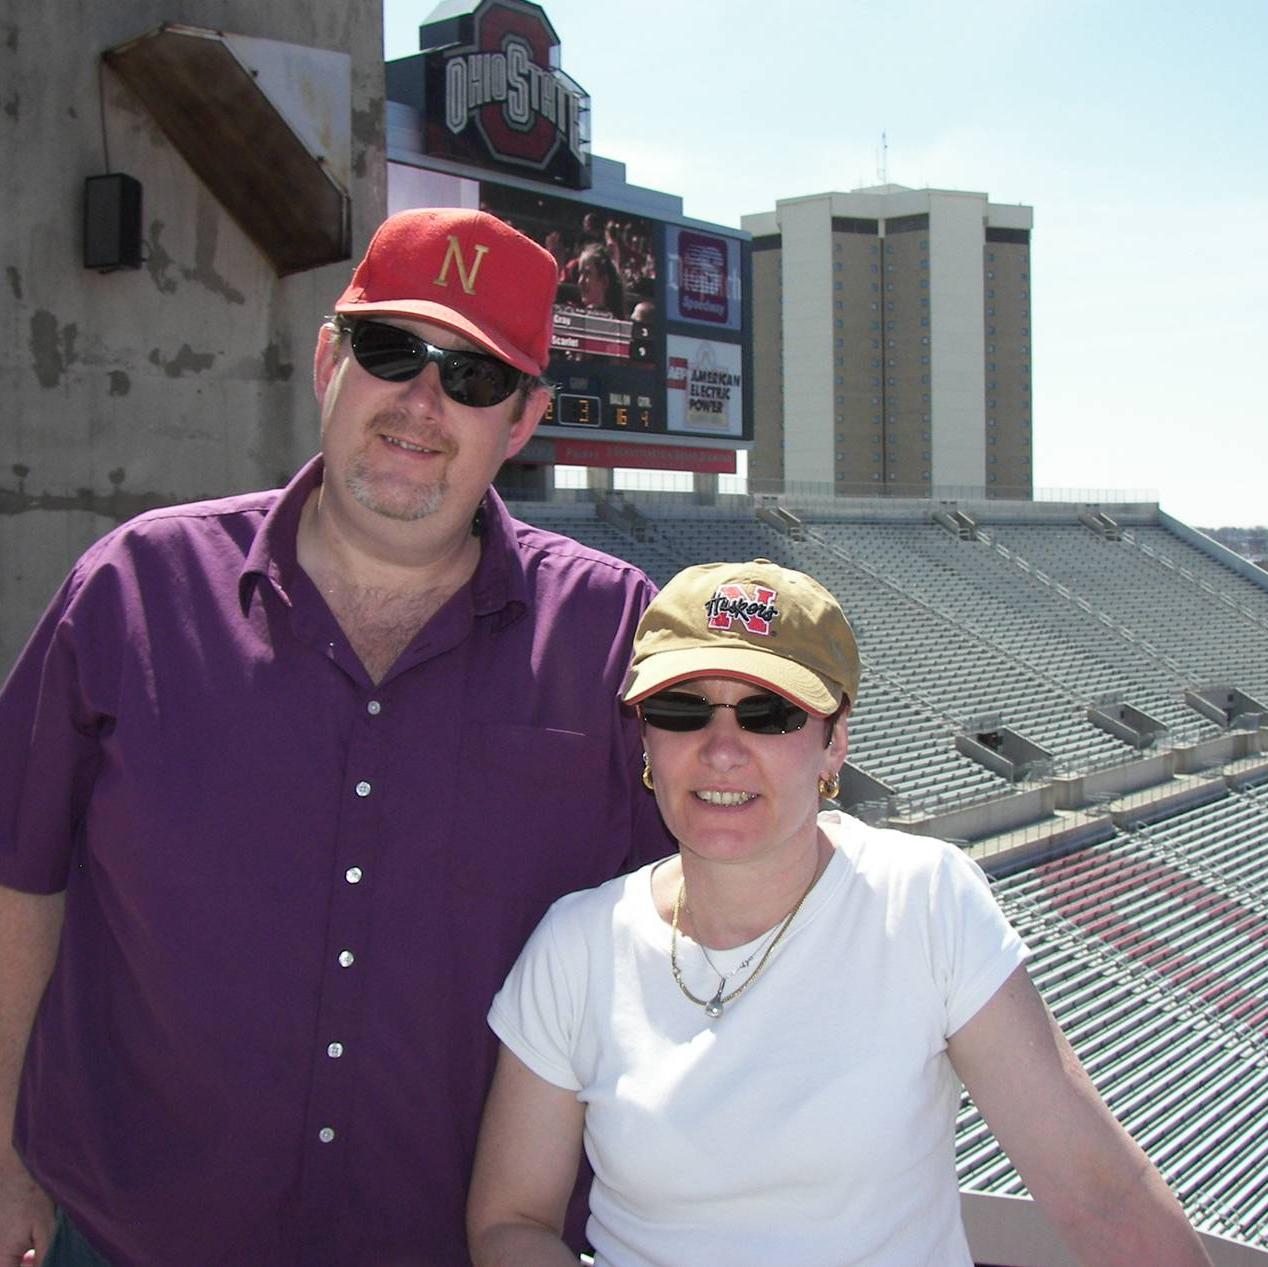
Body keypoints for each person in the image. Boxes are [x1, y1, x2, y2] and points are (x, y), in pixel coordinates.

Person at [0, 208, 672, 1267]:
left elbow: (706, 917)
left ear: (525, 418)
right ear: (328, 357)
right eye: (391, 351)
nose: (421, 403)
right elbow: (18, 874)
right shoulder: (132, 589)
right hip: (131, 1238)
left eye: (475, 377)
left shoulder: (611, 633)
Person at [467, 560, 1214, 1267]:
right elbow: (511, 1219)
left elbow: (1099, 1193)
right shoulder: (577, 944)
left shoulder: (923, 901)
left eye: (769, 714)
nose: (722, 750)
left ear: (834, 746)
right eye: (682, 708)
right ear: (646, 737)